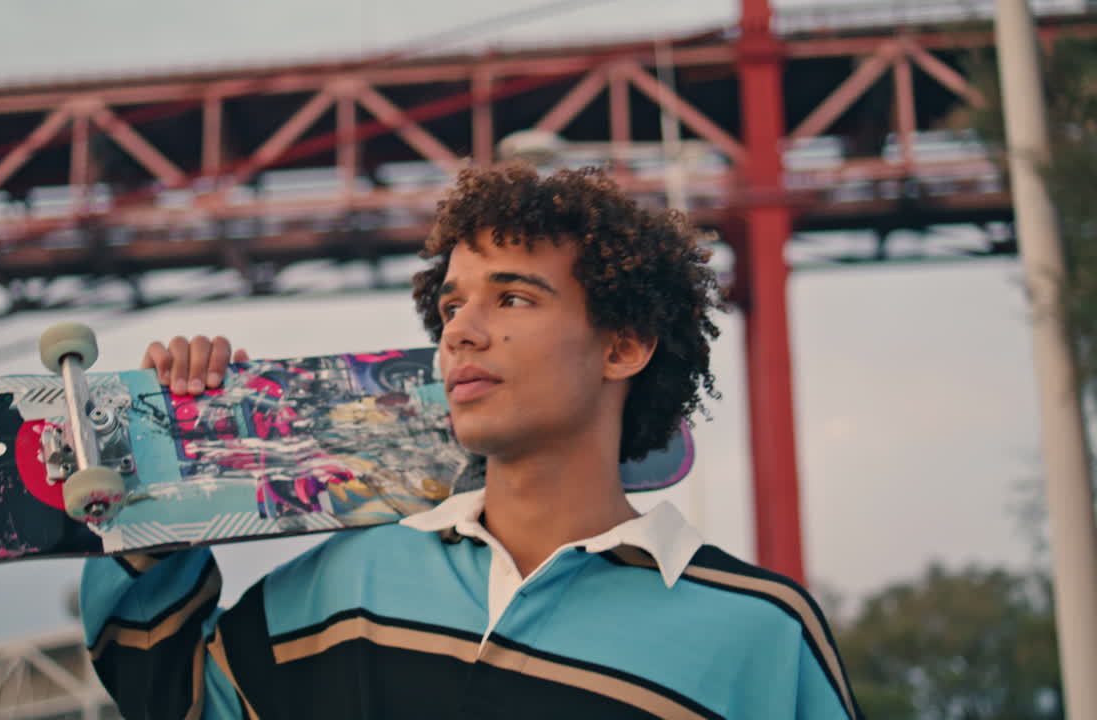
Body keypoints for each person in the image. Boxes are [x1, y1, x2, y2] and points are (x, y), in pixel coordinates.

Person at [79, 164, 862, 719]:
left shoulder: (758, 631)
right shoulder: (350, 589)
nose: (461, 331)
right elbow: (174, 700)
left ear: (623, 347)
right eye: (451, 306)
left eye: (512, 297)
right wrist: (165, 475)